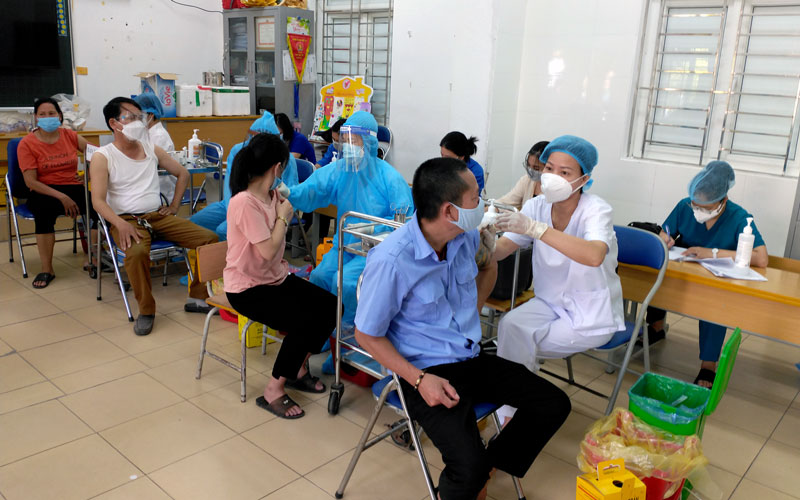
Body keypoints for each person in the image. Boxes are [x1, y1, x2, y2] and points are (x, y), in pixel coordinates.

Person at [354, 157, 570, 500]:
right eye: (475, 198)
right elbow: (366, 334)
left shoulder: (464, 237)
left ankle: (486, 469)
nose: (482, 204)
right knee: (467, 467)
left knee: (553, 404)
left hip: (469, 357)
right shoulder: (393, 260)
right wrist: (420, 380)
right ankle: (470, 477)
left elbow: (488, 266)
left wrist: (471, 309)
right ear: (449, 211)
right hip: (423, 370)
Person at [492, 135, 624, 420]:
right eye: (549, 168)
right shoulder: (536, 207)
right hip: (549, 303)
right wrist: (480, 243)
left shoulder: (596, 210)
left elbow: (594, 255)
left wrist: (537, 230)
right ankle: (512, 412)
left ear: (584, 179)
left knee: (517, 345)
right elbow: (502, 249)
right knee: (510, 326)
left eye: (565, 172)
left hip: (591, 313)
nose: (552, 177)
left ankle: (514, 415)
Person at [224, 133, 335, 419]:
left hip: (275, 278)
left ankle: (297, 368)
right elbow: (267, 250)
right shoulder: (244, 203)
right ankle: (273, 390)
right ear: (277, 168)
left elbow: (297, 205)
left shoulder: (273, 195)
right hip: (247, 288)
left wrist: (286, 206)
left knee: (332, 307)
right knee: (302, 321)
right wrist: (284, 216)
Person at [90, 97, 219, 335]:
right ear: (114, 123)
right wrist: (119, 223)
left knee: (209, 239)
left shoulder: (150, 148)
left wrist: (174, 206)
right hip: (126, 220)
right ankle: (146, 310)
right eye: (130, 117)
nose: (138, 122)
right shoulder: (103, 156)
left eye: (140, 117)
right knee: (137, 253)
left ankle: (198, 298)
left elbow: (183, 174)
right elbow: (97, 200)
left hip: (157, 216)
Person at [276, 111, 413, 328]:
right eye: (346, 140)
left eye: (353, 141)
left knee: (346, 282)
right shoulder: (341, 169)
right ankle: (321, 333)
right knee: (320, 277)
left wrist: (371, 229)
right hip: (343, 247)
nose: (348, 146)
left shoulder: (390, 178)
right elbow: (314, 188)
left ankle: (349, 338)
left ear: (368, 142)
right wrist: (289, 192)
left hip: (374, 252)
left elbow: (403, 222)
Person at [648, 160, 767, 388]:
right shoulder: (684, 206)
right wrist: (666, 238)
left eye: (707, 207)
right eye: (696, 205)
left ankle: (708, 365)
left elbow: (761, 258)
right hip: (684, 268)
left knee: (713, 301)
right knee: (658, 275)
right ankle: (656, 327)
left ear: (723, 200)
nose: (699, 211)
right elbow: (664, 232)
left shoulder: (739, 217)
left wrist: (712, 253)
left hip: (716, 277)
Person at [17, 97, 98, 288]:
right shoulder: (27, 144)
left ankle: (92, 257)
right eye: (42, 114)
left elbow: (98, 155)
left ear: (60, 116)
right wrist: (62, 197)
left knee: (97, 208)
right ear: (36, 118)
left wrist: (88, 177)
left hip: (71, 186)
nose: (47, 117)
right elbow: (31, 181)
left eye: (51, 113)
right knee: (43, 215)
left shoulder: (70, 135)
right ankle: (47, 269)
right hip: (43, 190)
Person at [189, 111, 299, 241]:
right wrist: (234, 211)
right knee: (194, 223)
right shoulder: (239, 151)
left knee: (224, 230)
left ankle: (228, 252)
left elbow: (290, 195)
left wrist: (279, 214)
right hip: (235, 203)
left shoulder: (285, 159)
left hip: (268, 208)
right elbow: (230, 188)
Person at [133, 93, 177, 204]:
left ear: (151, 115)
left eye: (139, 116)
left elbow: (151, 163)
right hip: (151, 187)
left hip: (162, 190)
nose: (136, 120)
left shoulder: (159, 136)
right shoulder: (148, 133)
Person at [496, 140, 549, 209]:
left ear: (549, 167)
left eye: (536, 168)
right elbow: (506, 202)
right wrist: (492, 207)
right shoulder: (526, 180)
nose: (530, 170)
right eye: (528, 165)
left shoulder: (554, 190)